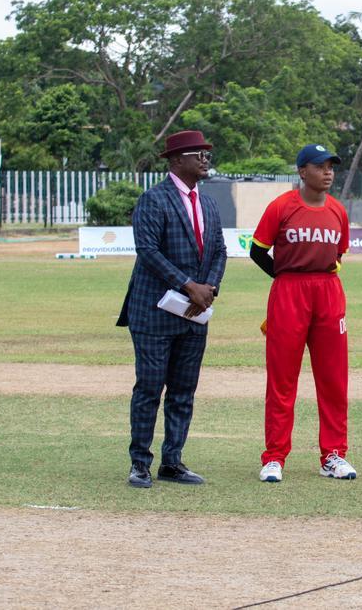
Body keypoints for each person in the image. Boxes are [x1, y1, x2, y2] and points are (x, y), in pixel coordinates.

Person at [118, 130, 227, 488]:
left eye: (206, 154)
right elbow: (148, 251)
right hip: (154, 311)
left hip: (195, 313)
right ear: (176, 160)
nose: (205, 159)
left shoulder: (208, 204)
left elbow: (219, 251)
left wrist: (209, 289)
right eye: (198, 154)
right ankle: (140, 463)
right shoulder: (153, 200)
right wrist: (188, 286)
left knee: (183, 390)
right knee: (150, 387)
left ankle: (173, 462)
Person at [250, 143, 355, 483]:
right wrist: (283, 277)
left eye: (331, 167)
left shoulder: (338, 210)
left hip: (328, 292)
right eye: (320, 166)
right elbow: (257, 251)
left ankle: (334, 455)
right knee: (282, 379)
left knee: (334, 379)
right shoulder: (281, 207)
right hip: (289, 293)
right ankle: (274, 457)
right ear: (302, 171)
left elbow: (338, 254)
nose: (328, 172)